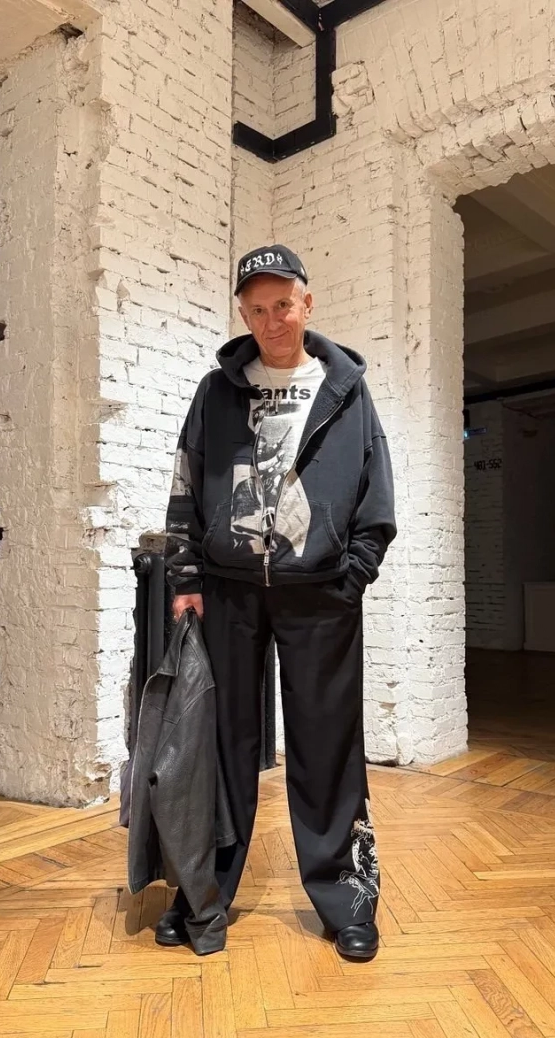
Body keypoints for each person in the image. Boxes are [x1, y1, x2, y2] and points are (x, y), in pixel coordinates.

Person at [160, 244, 396, 960]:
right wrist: (185, 579)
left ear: (306, 303)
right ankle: (200, 890)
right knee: (219, 747)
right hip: (229, 590)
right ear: (244, 314)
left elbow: (376, 489)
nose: (271, 320)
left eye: (283, 305)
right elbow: (186, 481)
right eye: (257, 309)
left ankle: (346, 899)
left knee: (327, 749)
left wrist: (353, 574)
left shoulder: (345, 389)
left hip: (319, 593)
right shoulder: (216, 391)